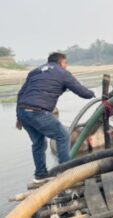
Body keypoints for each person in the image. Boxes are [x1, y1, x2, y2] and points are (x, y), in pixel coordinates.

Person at [16, 52, 95, 182]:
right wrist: (92, 94)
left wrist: (18, 117)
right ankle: (66, 172)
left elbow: (21, 93)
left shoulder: (35, 72)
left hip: (22, 111)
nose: (66, 66)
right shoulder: (62, 73)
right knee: (63, 135)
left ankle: (40, 175)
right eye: (66, 63)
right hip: (38, 111)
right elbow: (83, 93)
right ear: (61, 62)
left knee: (38, 143)